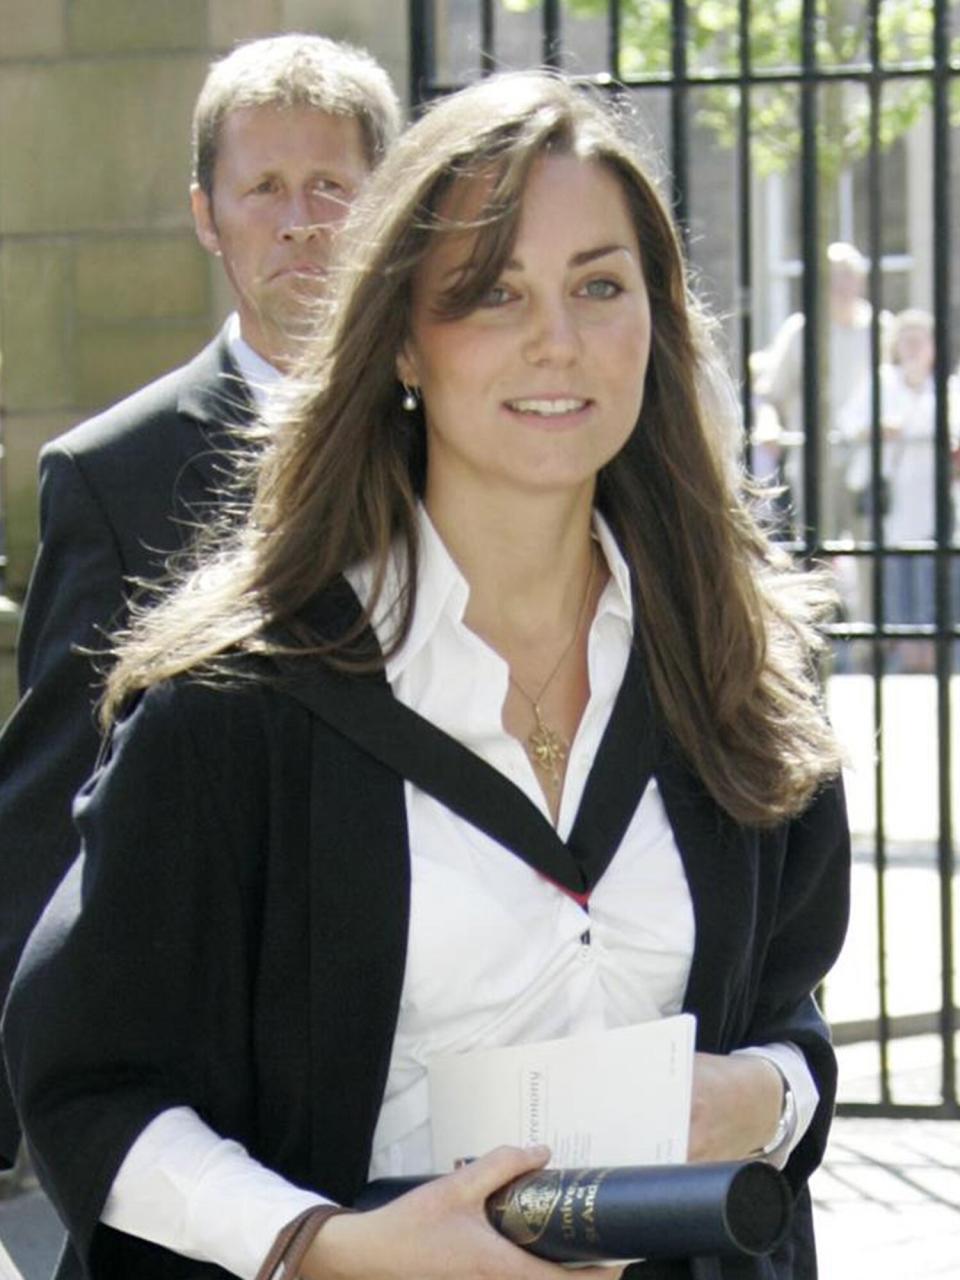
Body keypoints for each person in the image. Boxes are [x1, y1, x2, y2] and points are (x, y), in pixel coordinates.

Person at [4, 72, 850, 1280]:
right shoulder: (242, 700)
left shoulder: (740, 666)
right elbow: (91, 1083)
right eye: (491, 292)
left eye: (599, 285)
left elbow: (788, 1012)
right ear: (402, 333)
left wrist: (762, 1098)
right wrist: (329, 1244)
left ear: (656, 320)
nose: (557, 337)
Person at [0, 32, 401, 1172]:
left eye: (332, 184)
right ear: (204, 214)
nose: (301, 220)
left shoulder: (474, 438)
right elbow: (49, 800)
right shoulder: (112, 475)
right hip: (216, 1092)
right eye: (263, 187)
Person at [841, 308, 960, 671]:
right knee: (894, 576)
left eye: (918, 340)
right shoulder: (881, 384)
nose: (911, 348)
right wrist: (878, 429)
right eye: (905, 340)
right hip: (892, 504)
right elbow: (849, 424)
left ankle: (935, 657)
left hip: (935, 501)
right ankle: (902, 655)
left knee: (932, 575)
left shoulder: (947, 389)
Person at [757, 241, 892, 545]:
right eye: (833, 276)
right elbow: (771, 394)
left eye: (847, 275)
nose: (841, 284)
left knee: (873, 546)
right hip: (815, 453)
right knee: (816, 545)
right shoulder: (800, 331)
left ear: (860, 280)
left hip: (868, 454)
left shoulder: (881, 328)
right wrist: (769, 426)